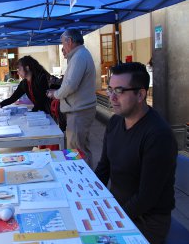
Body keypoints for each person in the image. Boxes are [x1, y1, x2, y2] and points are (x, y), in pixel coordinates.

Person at [94, 62, 177, 244]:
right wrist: (88, 195)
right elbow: (103, 168)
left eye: (120, 91)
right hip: (118, 207)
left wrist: (113, 218)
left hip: (146, 220)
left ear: (140, 95)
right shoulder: (115, 122)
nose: (112, 97)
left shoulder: (158, 135)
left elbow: (146, 197)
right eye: (110, 89)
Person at [47, 29, 96, 167]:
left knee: (77, 150)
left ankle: (83, 179)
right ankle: (83, 176)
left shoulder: (79, 56)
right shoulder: (78, 55)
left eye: (63, 43)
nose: (63, 47)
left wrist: (55, 94)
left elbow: (70, 85)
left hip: (79, 110)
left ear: (69, 41)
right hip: (79, 109)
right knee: (79, 147)